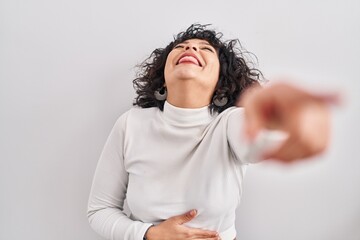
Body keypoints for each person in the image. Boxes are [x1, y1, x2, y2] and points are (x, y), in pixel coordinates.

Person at [87, 24, 337, 240]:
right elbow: (99, 210)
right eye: (182, 46)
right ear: (162, 78)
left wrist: (284, 116)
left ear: (221, 82)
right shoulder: (131, 124)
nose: (191, 49)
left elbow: (261, 138)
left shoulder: (230, 123)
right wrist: (148, 234)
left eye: (205, 49)